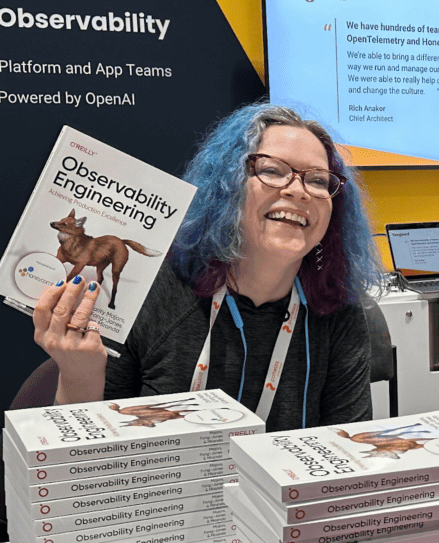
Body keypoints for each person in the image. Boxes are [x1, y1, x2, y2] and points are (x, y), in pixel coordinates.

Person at [31, 103, 383, 432]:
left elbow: (347, 459)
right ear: (226, 187)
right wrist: (79, 375)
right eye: (273, 171)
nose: (299, 191)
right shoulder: (153, 292)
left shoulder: (339, 313)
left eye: (318, 180)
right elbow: (91, 460)